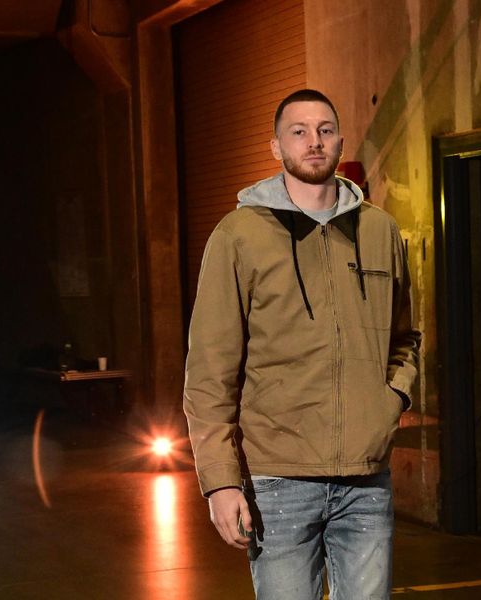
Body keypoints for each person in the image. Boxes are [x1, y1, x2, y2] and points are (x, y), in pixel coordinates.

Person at [183, 89, 420, 599]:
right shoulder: (238, 236)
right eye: (299, 131)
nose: (314, 142)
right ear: (275, 146)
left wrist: (390, 401)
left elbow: (406, 338)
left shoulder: (380, 231)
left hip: (365, 479)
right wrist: (221, 481)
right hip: (277, 481)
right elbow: (209, 371)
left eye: (325, 130)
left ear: (339, 140)